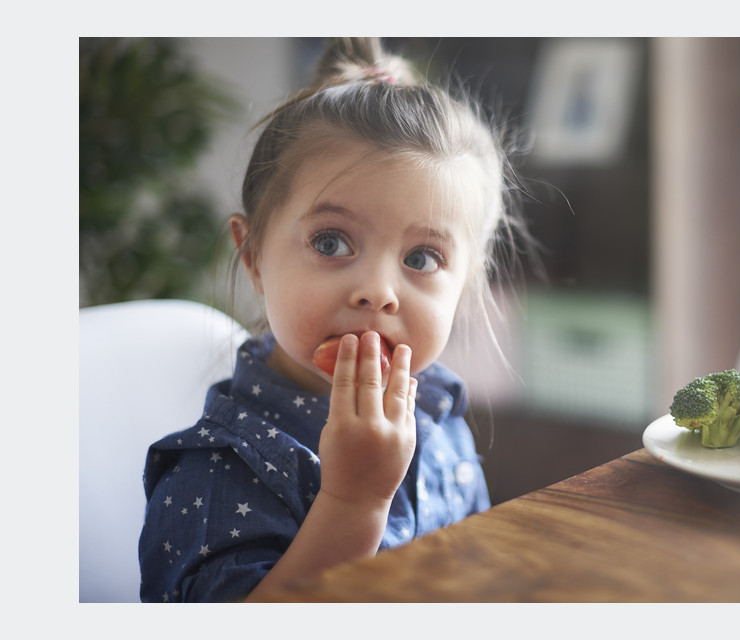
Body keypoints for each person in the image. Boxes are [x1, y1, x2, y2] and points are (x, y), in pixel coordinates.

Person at [138, 37, 531, 603]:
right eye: (331, 241)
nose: (377, 292)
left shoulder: (440, 414)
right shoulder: (216, 473)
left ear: (466, 288)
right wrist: (354, 502)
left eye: (421, 258)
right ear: (253, 258)